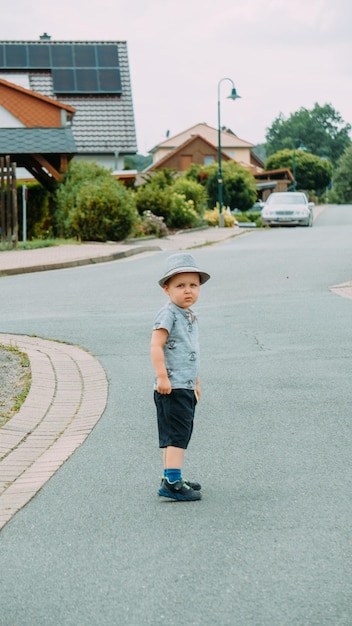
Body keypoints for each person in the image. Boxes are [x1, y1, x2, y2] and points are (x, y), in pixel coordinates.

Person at [151, 253, 211, 501]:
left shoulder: (189, 315)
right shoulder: (169, 314)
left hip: (183, 386)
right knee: (177, 435)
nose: (188, 291)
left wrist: (195, 381)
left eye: (193, 285)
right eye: (180, 286)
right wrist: (162, 377)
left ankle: (170, 475)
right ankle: (173, 483)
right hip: (172, 387)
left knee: (174, 434)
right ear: (167, 289)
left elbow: (190, 353)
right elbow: (156, 345)